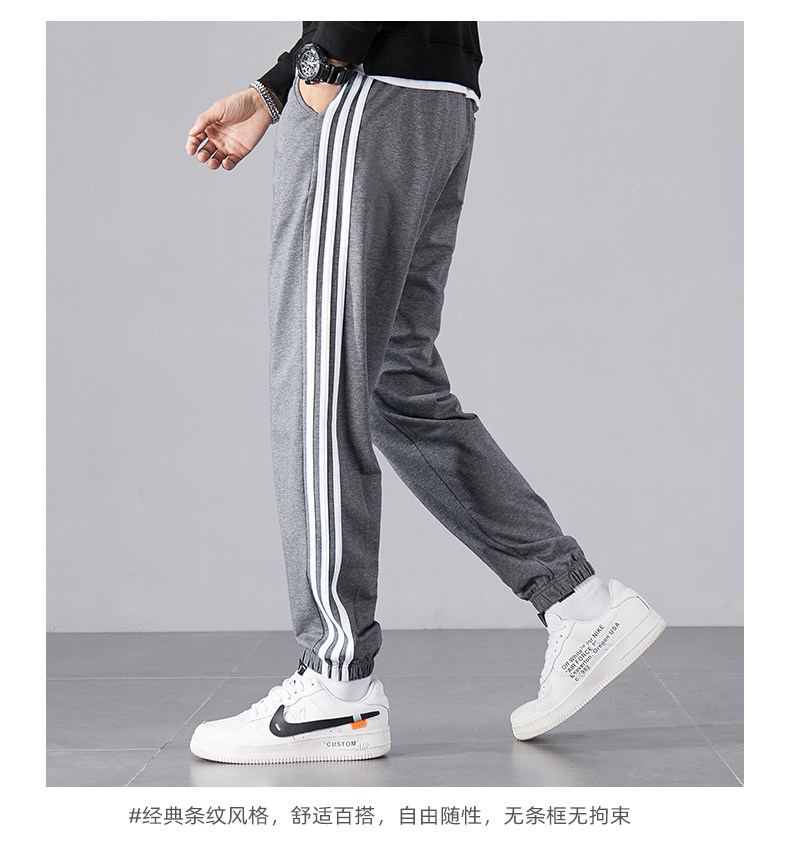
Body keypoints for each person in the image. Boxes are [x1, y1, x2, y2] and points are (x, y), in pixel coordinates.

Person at [185, 22, 665, 765]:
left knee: (318, 384)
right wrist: (278, 88)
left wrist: (326, 59)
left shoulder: (346, 72)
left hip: (366, 89)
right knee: (392, 379)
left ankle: (337, 684)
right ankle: (578, 602)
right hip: (437, 95)